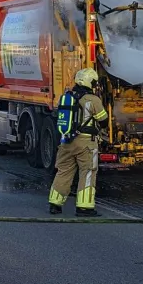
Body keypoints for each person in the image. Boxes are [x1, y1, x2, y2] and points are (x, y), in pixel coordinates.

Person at [48, 68, 108, 217]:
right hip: (86, 143)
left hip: (66, 142)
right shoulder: (92, 100)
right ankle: (84, 207)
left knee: (63, 172)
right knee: (87, 172)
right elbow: (104, 121)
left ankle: (55, 204)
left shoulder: (67, 96)